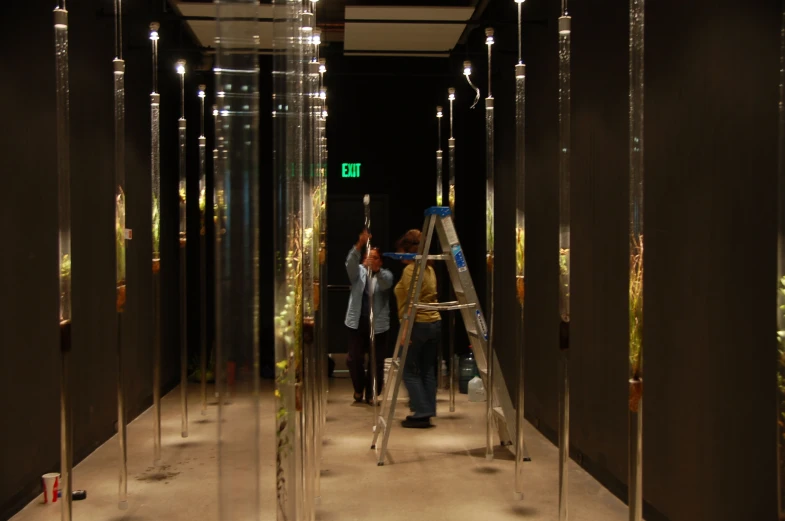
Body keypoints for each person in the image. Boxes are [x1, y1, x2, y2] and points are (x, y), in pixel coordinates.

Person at [394, 229, 442, 428]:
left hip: (417, 325)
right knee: (427, 369)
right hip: (434, 324)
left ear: (407, 250)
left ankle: (421, 411)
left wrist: (405, 331)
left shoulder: (411, 270)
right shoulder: (429, 268)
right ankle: (427, 410)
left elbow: (412, 303)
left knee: (408, 371)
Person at [345, 229, 393, 405]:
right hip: (357, 322)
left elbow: (386, 283)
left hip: (378, 325)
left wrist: (377, 270)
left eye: (375, 258)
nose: (370, 261)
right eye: (368, 257)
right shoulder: (358, 273)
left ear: (380, 261)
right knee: (354, 359)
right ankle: (359, 388)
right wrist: (359, 244)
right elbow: (350, 263)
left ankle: (373, 393)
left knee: (377, 361)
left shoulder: (386, 275)